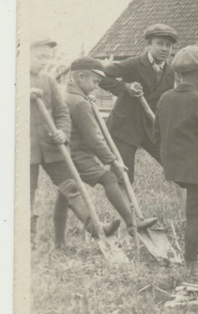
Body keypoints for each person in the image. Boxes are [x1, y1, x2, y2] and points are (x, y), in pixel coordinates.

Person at [56, 57, 158, 247]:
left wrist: (86, 97)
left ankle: (59, 241)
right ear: (80, 77)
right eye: (94, 82)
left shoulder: (70, 95)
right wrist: (112, 161)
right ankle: (132, 222)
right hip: (76, 154)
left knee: (64, 194)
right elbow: (94, 139)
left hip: (63, 154)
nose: (96, 87)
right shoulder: (80, 104)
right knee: (109, 178)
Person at [29, 38, 118, 247]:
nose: (44, 61)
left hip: (52, 147)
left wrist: (63, 132)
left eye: (47, 58)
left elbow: (61, 112)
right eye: (39, 56)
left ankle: (95, 226)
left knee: (72, 186)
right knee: (27, 193)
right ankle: (28, 241)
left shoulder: (48, 80)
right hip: (26, 150)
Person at [154, 46, 198, 272]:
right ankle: (191, 263)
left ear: (178, 74)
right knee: (195, 213)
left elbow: (156, 133)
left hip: (175, 165)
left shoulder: (165, 97)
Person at [99, 24, 179, 182]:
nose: (165, 49)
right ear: (148, 45)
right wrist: (125, 87)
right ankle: (126, 207)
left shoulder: (170, 72)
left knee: (175, 166)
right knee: (124, 177)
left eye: (169, 45)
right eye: (160, 43)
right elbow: (101, 75)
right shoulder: (134, 64)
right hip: (124, 128)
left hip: (151, 128)